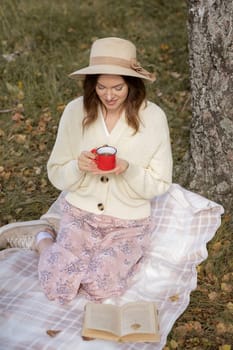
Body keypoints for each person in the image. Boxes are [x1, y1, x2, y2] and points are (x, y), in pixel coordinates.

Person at [35, 37, 173, 305]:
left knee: (101, 286)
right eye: (101, 87)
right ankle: (42, 239)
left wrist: (128, 169)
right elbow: (56, 172)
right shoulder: (76, 111)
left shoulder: (154, 117)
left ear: (132, 85)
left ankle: (53, 246)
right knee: (58, 286)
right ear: (92, 85)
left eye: (118, 88)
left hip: (127, 224)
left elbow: (160, 184)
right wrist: (78, 167)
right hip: (80, 214)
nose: (109, 95)